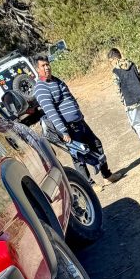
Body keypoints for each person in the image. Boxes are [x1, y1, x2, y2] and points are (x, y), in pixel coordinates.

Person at [33, 55, 121, 184]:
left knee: (96, 145)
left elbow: (70, 98)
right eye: (43, 66)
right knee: (79, 156)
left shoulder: (56, 80)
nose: (47, 67)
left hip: (79, 122)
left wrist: (79, 114)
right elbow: (51, 112)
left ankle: (106, 176)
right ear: (37, 69)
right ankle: (89, 185)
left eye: (47, 64)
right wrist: (63, 131)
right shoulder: (40, 88)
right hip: (69, 127)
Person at [107, 48, 140, 156]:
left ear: (114, 59)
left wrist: (123, 102)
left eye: (110, 61)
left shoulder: (115, 71)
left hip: (130, 101)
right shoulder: (132, 64)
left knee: (136, 123)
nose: (111, 64)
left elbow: (118, 90)